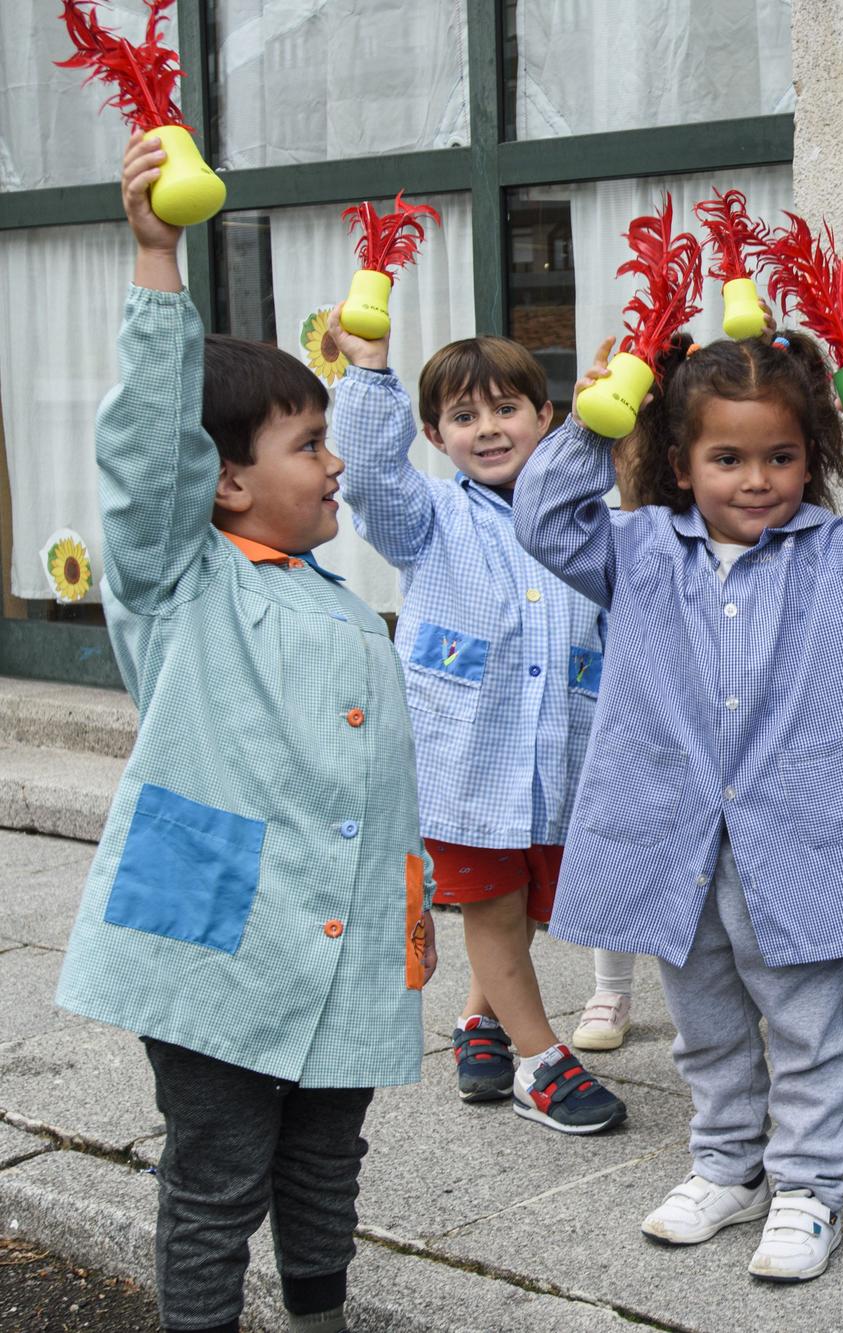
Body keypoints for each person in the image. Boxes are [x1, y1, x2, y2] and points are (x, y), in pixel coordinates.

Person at [55, 131, 438, 1333]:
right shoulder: (180, 580)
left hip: (343, 942)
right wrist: (158, 261)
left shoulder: (329, 597)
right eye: (309, 447)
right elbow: (145, 455)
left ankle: (319, 1318)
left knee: (328, 1164)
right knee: (217, 1179)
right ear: (223, 481)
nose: (333, 471)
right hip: (220, 946)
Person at [514, 329, 843, 1283]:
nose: (756, 479)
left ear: (813, 456)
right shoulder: (633, 549)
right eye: (727, 458)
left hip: (799, 836)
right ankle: (727, 1165)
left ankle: (809, 1187)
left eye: (781, 457)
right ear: (679, 462)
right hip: (669, 833)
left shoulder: (835, 556)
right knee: (704, 1017)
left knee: (805, 1022)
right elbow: (546, 521)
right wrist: (595, 428)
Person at [327, 317, 626, 1134]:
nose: (487, 428)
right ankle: (541, 1062)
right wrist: (367, 377)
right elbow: (371, 476)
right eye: (463, 416)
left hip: (558, 757)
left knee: (528, 903)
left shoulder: (585, 523)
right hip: (462, 760)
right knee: (491, 904)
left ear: (547, 417)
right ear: (435, 434)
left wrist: (616, 412)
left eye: (506, 410)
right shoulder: (425, 518)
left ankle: (478, 1017)